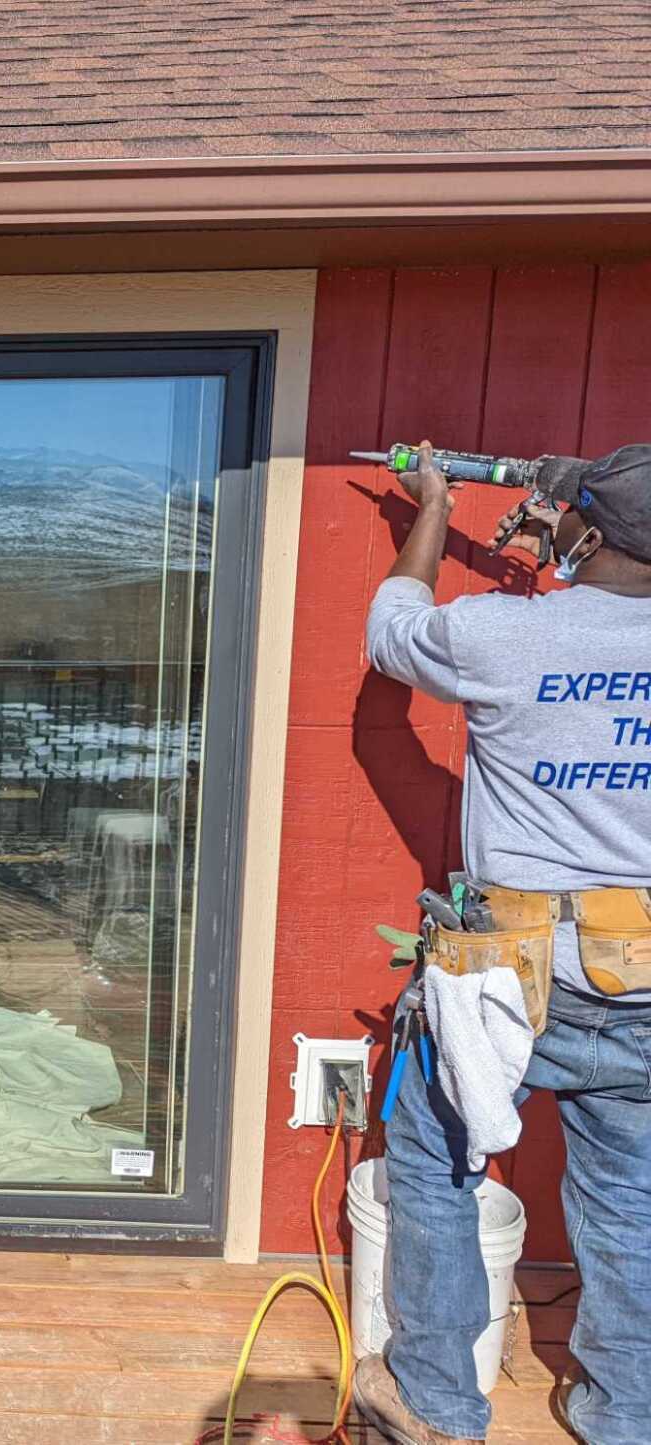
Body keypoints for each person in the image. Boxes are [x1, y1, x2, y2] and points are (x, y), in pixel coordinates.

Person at [352, 442, 651, 1444]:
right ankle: (626, 1416)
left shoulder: (501, 636)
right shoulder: (521, 623)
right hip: (644, 967)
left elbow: (392, 631)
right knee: (631, 1197)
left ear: (589, 530)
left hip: (507, 969)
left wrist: (433, 509)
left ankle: (435, 1406)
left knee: (436, 1163)